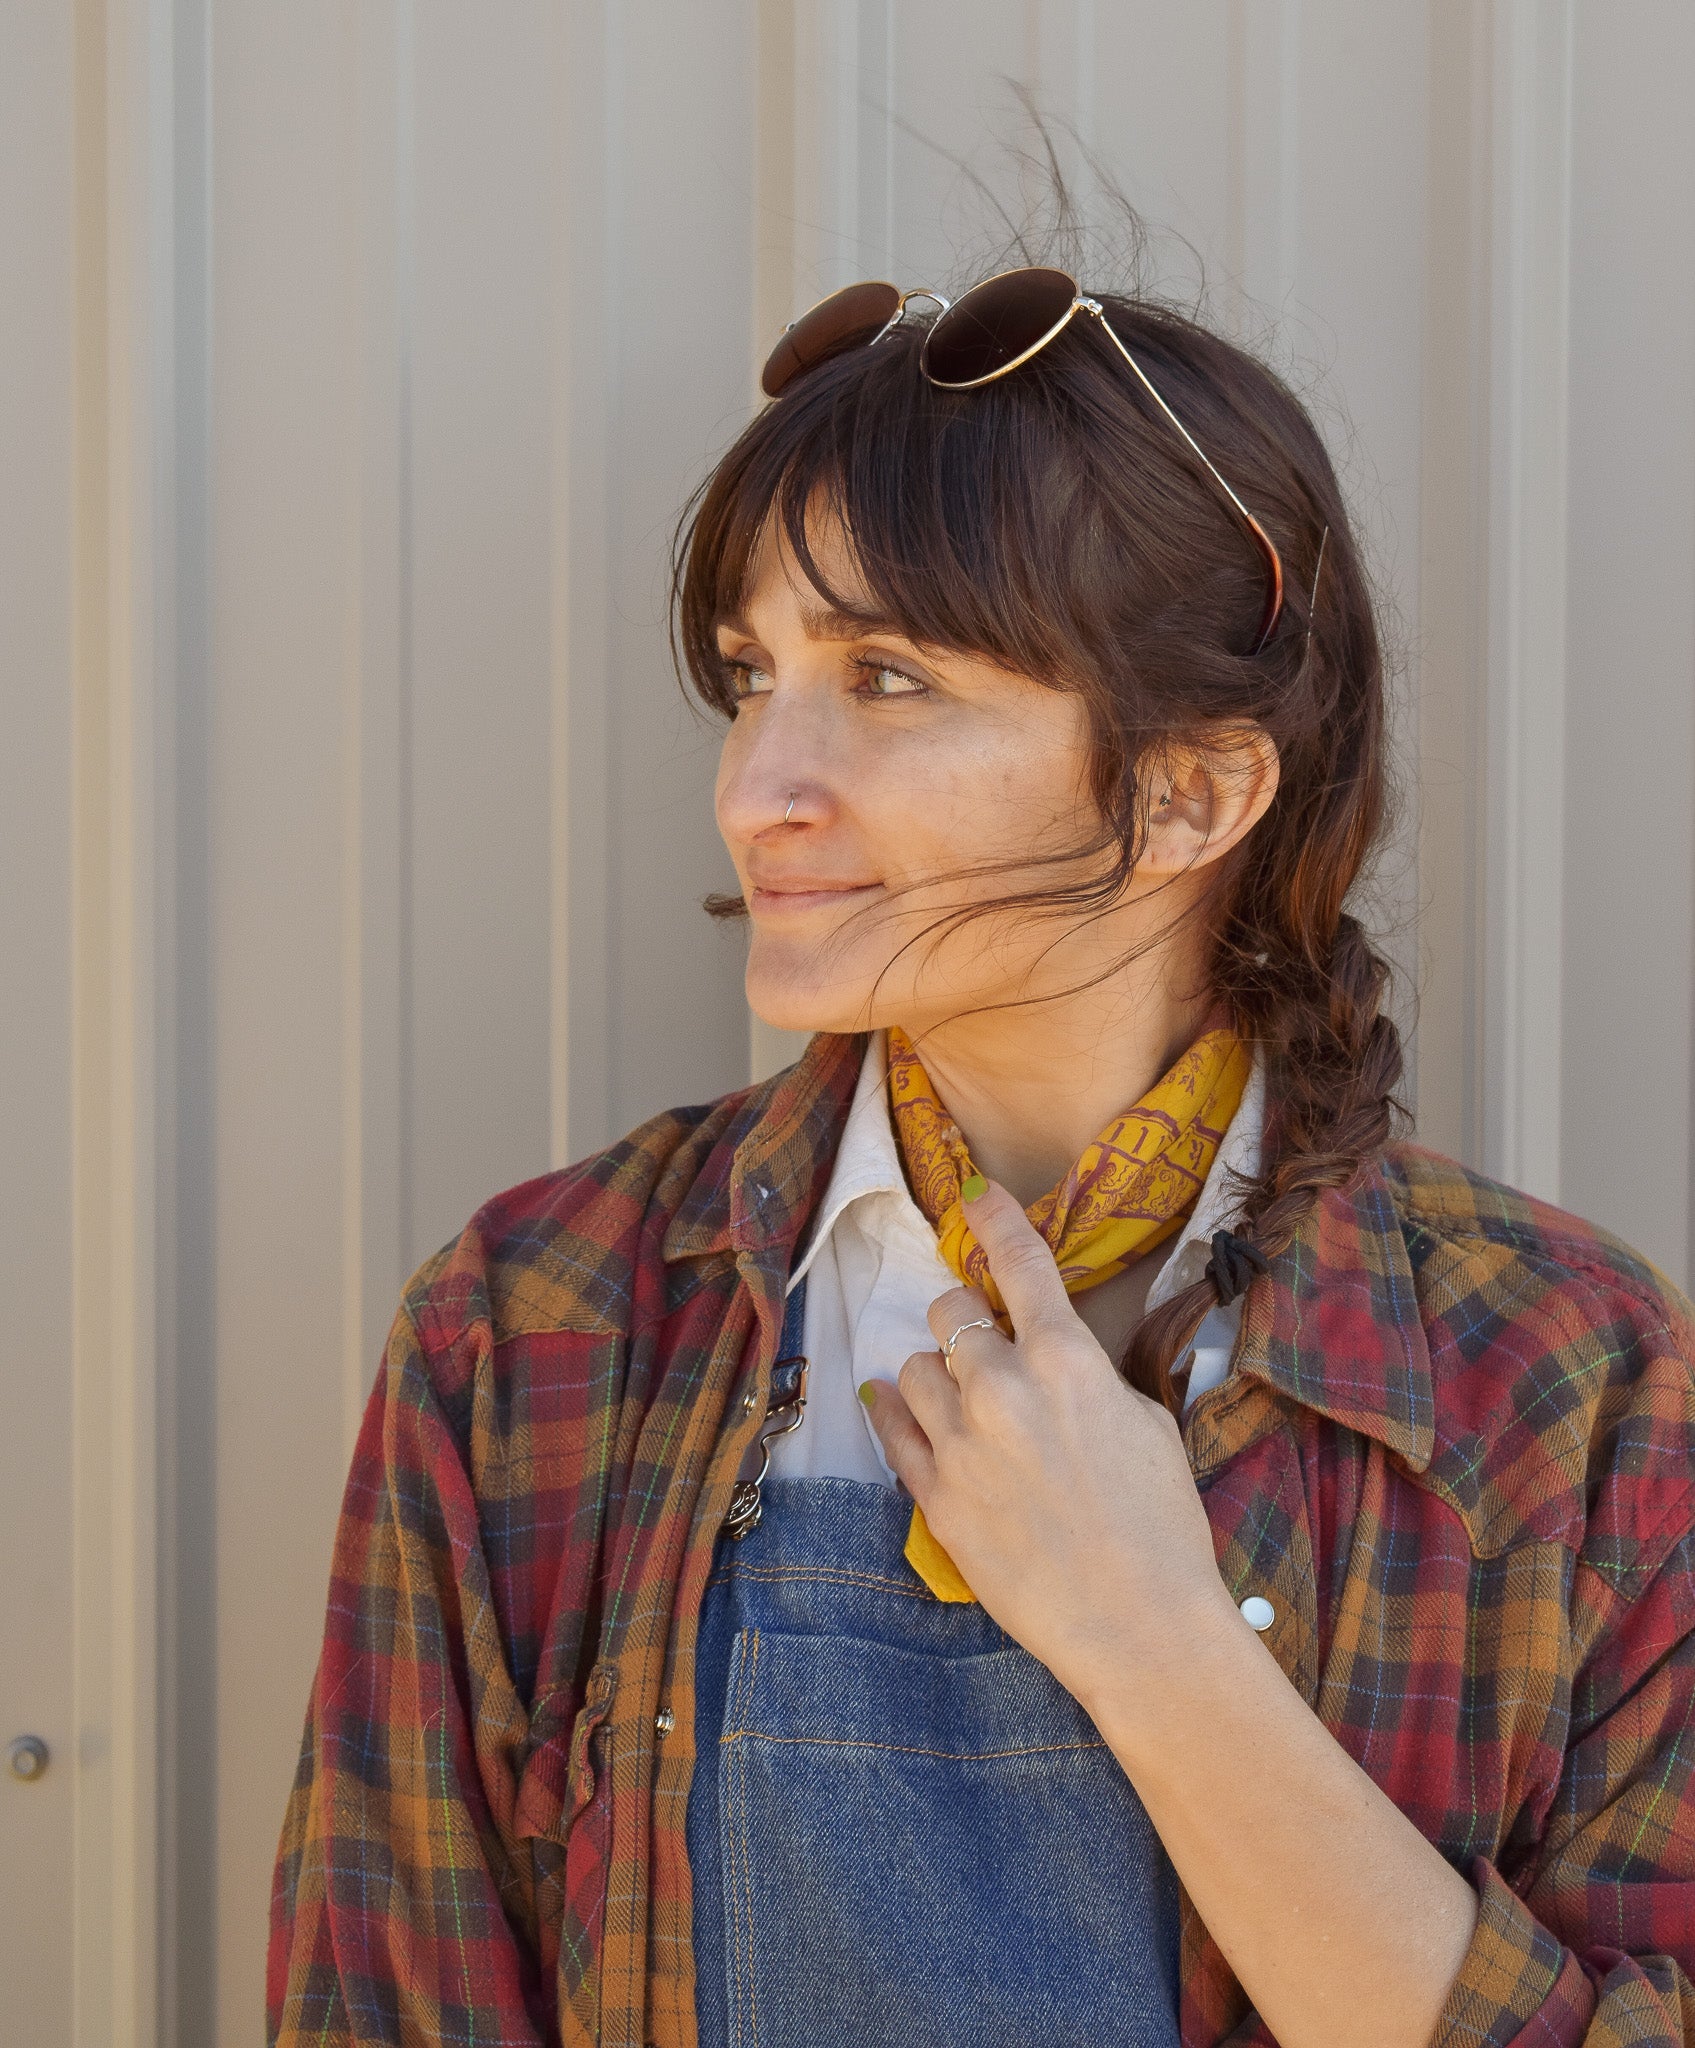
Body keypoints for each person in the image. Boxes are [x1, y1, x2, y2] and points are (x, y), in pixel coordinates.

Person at [268, 254, 1695, 2048]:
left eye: (884, 676)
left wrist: (1159, 1643)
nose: (752, 789)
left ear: (1191, 791)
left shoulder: (1562, 1388)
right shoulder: (535, 1335)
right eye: (750, 677)